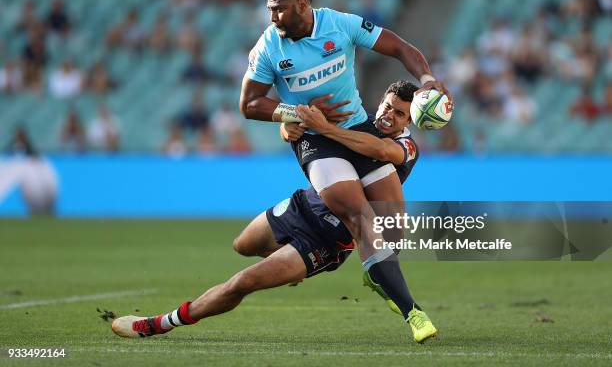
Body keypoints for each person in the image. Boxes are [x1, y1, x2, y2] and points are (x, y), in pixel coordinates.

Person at [112, 81, 437, 343]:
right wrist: (288, 130)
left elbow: (380, 150)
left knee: (241, 283)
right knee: (242, 245)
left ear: (410, 122)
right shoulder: (356, 117)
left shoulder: (408, 148)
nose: (389, 116)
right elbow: (297, 128)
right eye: (388, 106)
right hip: (302, 206)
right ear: (380, 100)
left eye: (399, 114)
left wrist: (325, 129)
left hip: (327, 239)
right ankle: (286, 262)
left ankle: (161, 323)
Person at [239, 0, 450, 328]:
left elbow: (400, 48)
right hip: (317, 142)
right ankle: (412, 313)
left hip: (355, 127)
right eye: (269, 10)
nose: (272, 17)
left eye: (279, 10)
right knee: (359, 216)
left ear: (303, 4)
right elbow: (249, 104)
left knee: (390, 220)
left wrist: (428, 80)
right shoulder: (268, 48)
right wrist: (295, 114)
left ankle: (374, 270)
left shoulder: (340, 25)